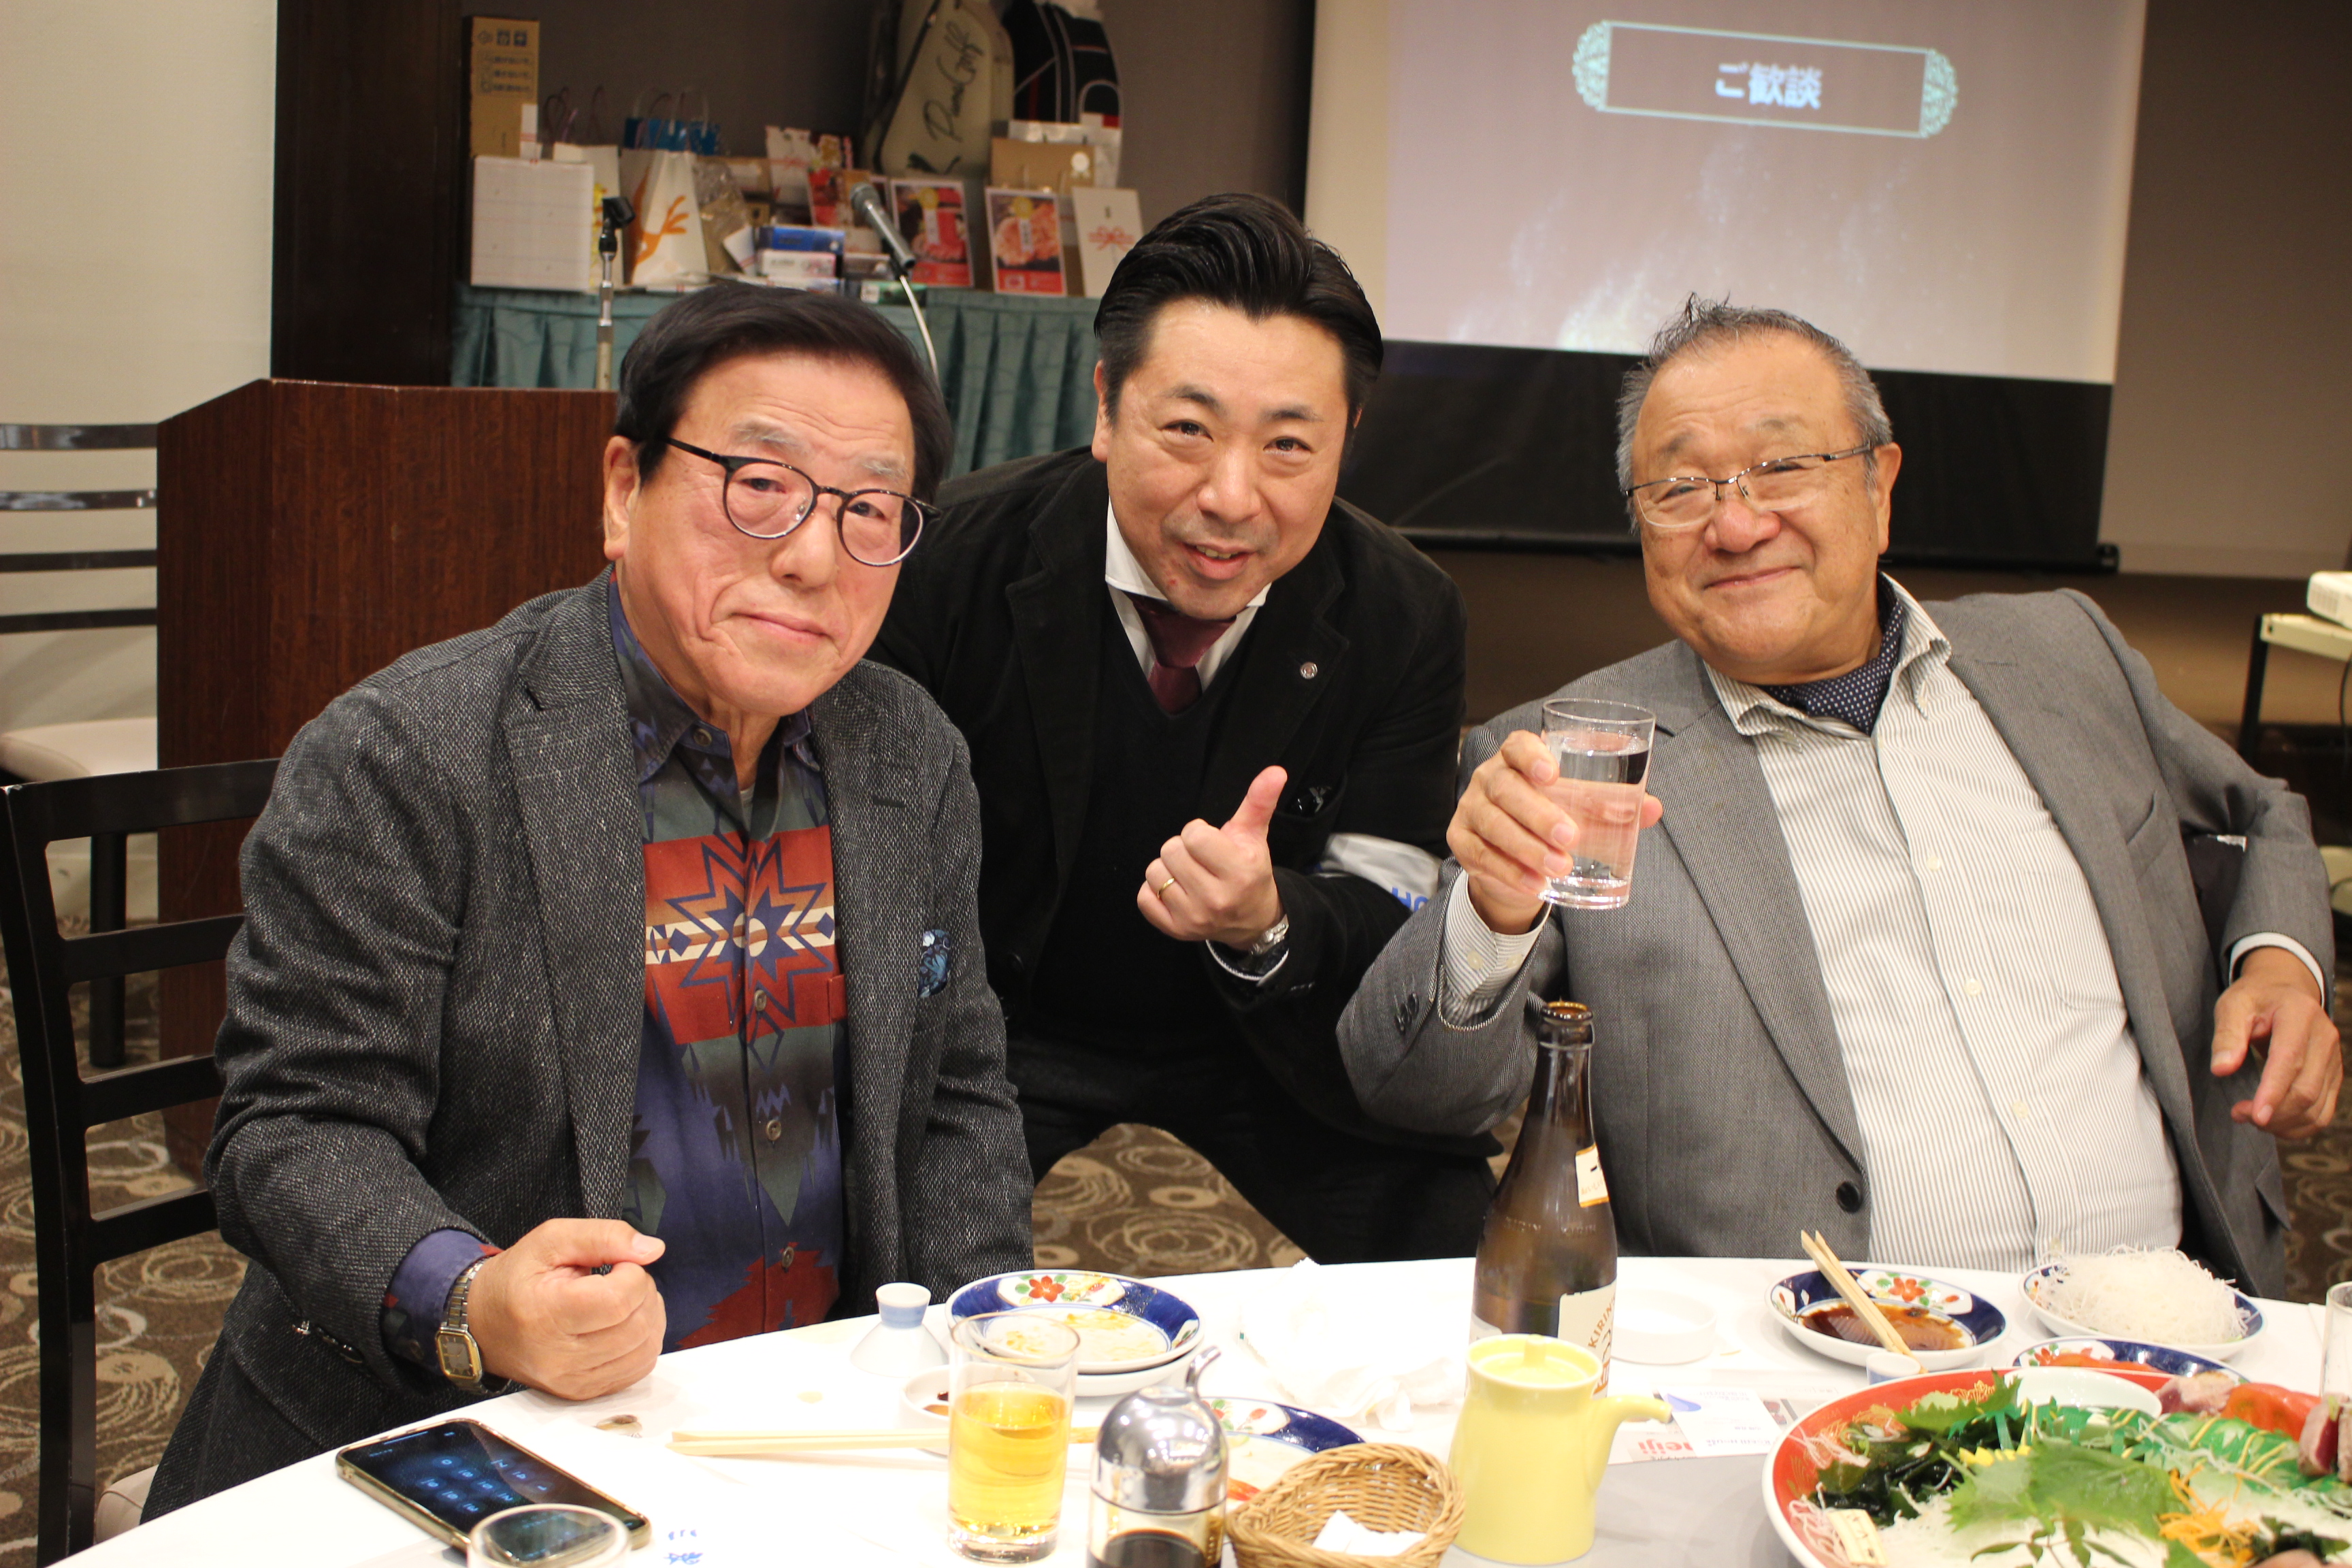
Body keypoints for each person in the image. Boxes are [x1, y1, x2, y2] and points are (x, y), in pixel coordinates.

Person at [150, 286, 1031, 1510]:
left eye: (868, 510)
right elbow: (295, 1128)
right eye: (759, 485)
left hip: (824, 1433)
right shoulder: (409, 754)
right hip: (452, 1444)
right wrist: (471, 1299)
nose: (812, 557)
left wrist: (979, 1367)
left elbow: (957, 1097)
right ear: (624, 491)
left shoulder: (910, 753)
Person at [1337, 297, 2339, 1296]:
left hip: (2168, 1316)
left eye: (1782, 468)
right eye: (1679, 489)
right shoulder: (1572, 758)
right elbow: (1416, 1093)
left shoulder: (2065, 654)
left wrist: (2282, 969)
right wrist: (1492, 912)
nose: (1736, 525)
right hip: (1811, 1348)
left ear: (1879, 485)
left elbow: (2261, 816)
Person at [870, 193, 1494, 1261]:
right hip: (1006, 1024)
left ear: (1346, 441)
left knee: (1464, 1261)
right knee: (892, 1264)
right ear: (1107, 409)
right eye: (1189, 431)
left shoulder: (1402, 612)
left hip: (1266, 1036)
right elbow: (879, 871)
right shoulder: (948, 564)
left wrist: (1270, 917)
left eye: (1289, 445)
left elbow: (1392, 889)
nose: (1232, 498)